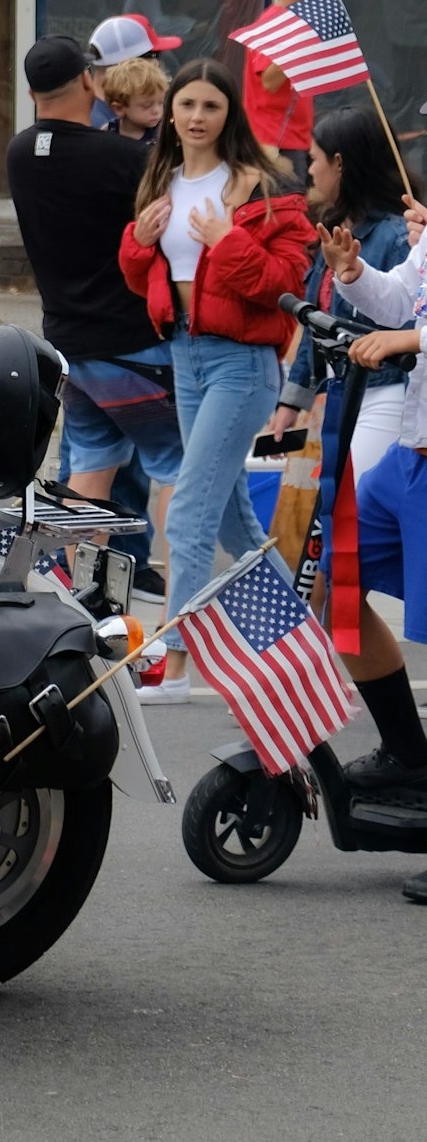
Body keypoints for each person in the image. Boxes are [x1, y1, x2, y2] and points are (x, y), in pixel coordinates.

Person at [118, 58, 310, 704]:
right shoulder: (162, 179)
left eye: (211, 106)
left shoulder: (258, 185)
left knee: (189, 515)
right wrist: (137, 244)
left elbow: (286, 283)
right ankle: (294, 640)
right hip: (186, 355)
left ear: (230, 115)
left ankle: (176, 664)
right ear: (170, 112)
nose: (197, 117)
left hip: (243, 363)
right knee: (233, 525)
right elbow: (143, 277)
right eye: (187, 105)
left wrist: (228, 240)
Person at [7, 36, 181, 608]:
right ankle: (187, 599)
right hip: (133, 343)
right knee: (176, 471)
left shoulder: (20, 153)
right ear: (91, 81)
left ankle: (81, 603)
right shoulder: (127, 160)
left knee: (92, 474)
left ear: (31, 92)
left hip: (69, 344)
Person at [313, 207, 427, 877]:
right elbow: (398, 298)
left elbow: (408, 329)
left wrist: (408, 342)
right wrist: (352, 272)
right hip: (409, 456)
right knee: (338, 587)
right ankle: (408, 752)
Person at [269, 106, 414, 478]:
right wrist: (292, 401)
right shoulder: (332, 233)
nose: (309, 169)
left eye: (314, 159)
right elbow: (315, 324)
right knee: (325, 514)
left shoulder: (399, 236)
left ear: (339, 162)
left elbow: (408, 321)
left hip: (386, 391)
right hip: (334, 391)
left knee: (358, 504)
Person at [238, 0, 335, 188]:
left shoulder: (291, 21)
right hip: (276, 143)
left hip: (295, 139)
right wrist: (299, 41)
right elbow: (269, 81)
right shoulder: (275, 22)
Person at [88, 12, 183, 130]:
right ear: (130, 66)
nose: (158, 65)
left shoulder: (138, 117)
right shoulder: (98, 128)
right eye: (155, 56)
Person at [103, 56, 170, 142]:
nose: (156, 110)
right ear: (119, 108)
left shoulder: (163, 133)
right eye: (147, 105)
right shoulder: (108, 132)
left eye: (161, 103)